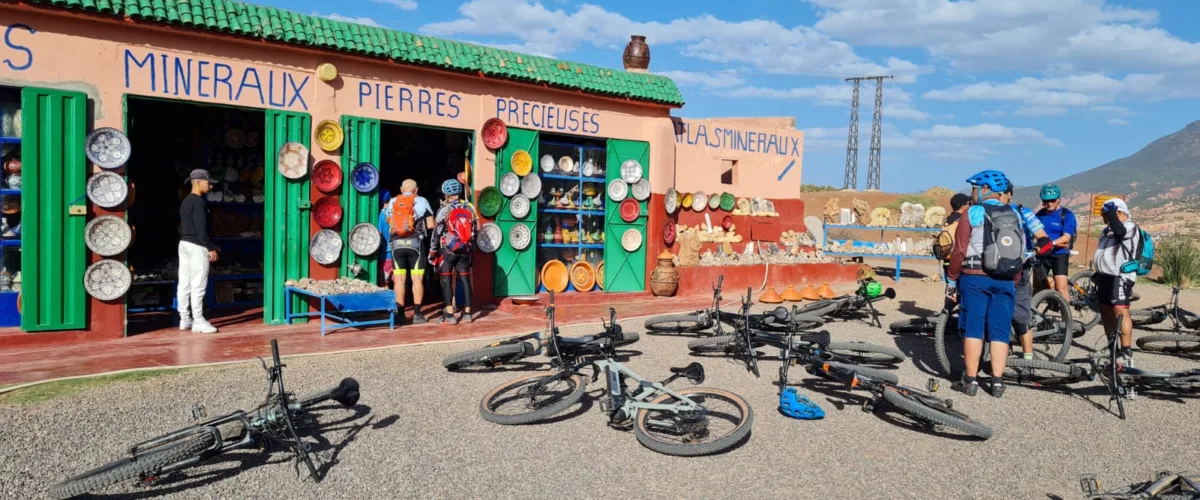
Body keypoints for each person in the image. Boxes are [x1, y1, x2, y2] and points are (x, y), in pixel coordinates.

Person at [947, 170, 1028, 398]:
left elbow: (959, 249)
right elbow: (1020, 251)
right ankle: (997, 382)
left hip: (974, 277)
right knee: (1000, 330)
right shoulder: (1015, 215)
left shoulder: (973, 213)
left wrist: (952, 277)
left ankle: (970, 381)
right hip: (1005, 279)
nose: (972, 193)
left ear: (984, 189)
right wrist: (1014, 279)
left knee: (973, 327)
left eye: (974, 189)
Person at [1001, 185, 1053, 361]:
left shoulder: (1023, 212)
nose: (999, 197)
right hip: (994, 267)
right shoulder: (986, 211)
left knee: (1021, 314)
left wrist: (1036, 251)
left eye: (1002, 194)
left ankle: (1028, 358)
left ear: (1009, 195)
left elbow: (1044, 239)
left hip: (1020, 267)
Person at [1093, 198, 1140, 367]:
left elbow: (1120, 232)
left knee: (1120, 310)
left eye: (1106, 215)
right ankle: (1112, 346)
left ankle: (1126, 351)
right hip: (1105, 275)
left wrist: (1112, 213)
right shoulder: (1107, 230)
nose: (1104, 218)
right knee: (1105, 311)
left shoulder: (1129, 226)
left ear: (1118, 212)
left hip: (1121, 275)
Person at [383, 180, 435, 324]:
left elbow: (388, 220)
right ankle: (417, 315)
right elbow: (431, 224)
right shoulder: (422, 201)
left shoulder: (393, 201)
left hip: (396, 245)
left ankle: (400, 314)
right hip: (415, 244)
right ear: (416, 190)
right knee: (417, 279)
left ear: (401, 189)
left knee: (399, 280)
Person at [430, 179, 478, 324]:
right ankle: (468, 314)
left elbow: (437, 232)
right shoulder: (469, 207)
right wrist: (471, 248)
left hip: (448, 250)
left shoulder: (445, 209)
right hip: (465, 250)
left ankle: (450, 315)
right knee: (465, 279)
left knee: (446, 279)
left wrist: (432, 251)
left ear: (446, 194)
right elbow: (476, 230)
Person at [177, 169, 220, 334]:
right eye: (208, 182)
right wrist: (210, 247)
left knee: (185, 282)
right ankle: (199, 319)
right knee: (198, 283)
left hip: (184, 243)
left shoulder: (186, 201)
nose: (210, 185)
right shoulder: (199, 201)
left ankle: (184, 318)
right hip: (197, 245)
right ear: (198, 182)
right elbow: (202, 229)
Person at [1035, 184, 1077, 300]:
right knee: (1037, 288)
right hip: (1042, 253)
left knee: (1060, 288)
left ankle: (1067, 316)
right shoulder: (1040, 214)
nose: (1049, 204)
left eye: (1052, 201)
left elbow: (1066, 237)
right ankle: (1036, 316)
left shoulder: (1067, 215)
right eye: (1045, 201)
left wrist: (1051, 243)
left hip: (1059, 253)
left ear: (1059, 200)